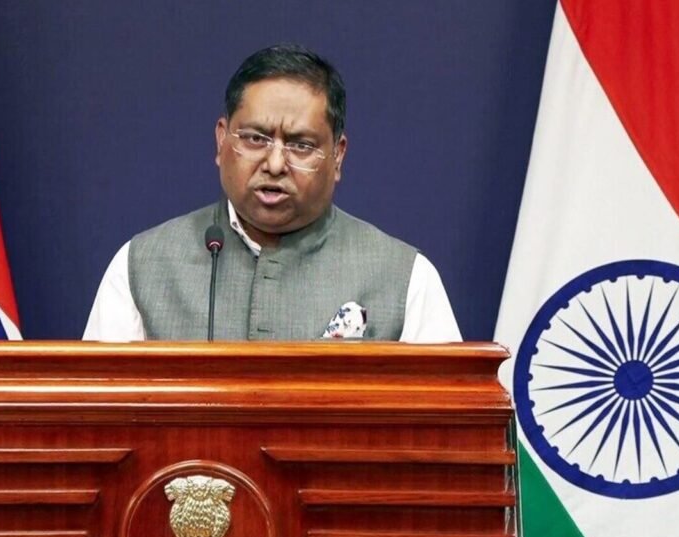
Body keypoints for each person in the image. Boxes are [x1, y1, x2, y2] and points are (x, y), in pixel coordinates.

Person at [84, 44, 460, 342]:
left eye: (301, 145)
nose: (275, 164)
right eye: (254, 138)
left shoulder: (407, 278)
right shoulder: (141, 265)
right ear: (221, 141)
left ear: (338, 156)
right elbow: (97, 409)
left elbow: (450, 413)